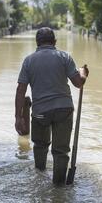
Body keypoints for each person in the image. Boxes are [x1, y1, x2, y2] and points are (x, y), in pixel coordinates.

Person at [15, 27, 89, 185]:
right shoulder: (64, 57)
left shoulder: (29, 60)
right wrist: (83, 73)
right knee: (61, 151)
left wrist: (18, 117)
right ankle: (58, 189)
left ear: (37, 43)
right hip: (64, 110)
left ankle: (39, 179)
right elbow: (78, 83)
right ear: (55, 42)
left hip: (40, 112)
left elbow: (21, 90)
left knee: (40, 146)